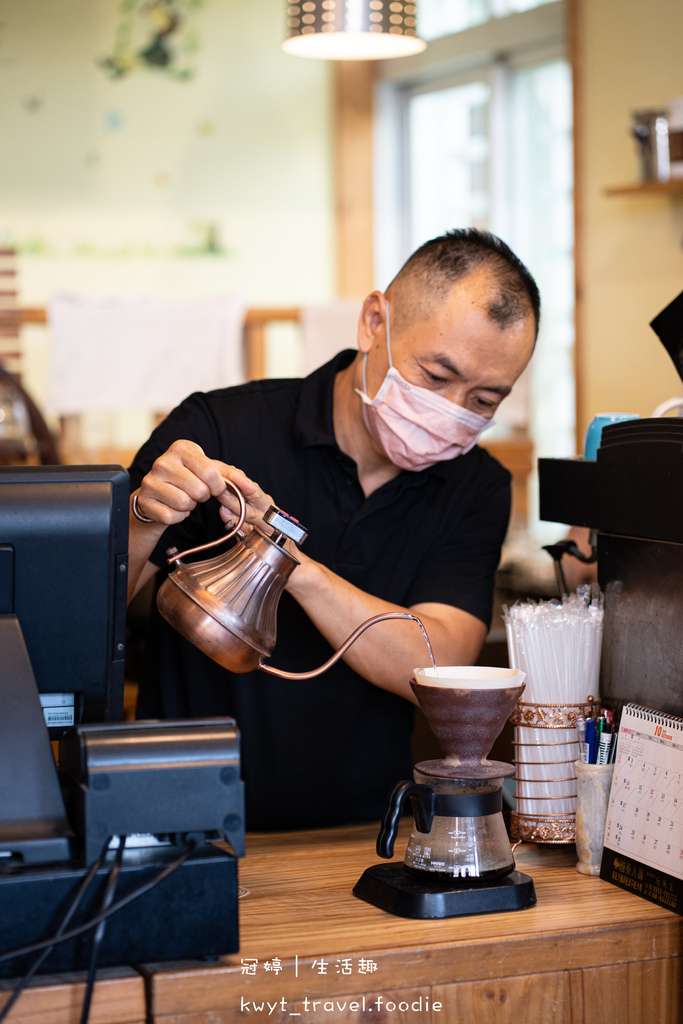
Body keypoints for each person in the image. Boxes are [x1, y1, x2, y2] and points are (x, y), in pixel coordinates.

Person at [127, 228, 539, 831]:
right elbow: (96, 612)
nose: (451, 409)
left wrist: (288, 562)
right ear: (375, 322)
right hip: (183, 819)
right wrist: (143, 514)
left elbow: (441, 662)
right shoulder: (220, 429)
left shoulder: (475, 486)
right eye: (434, 376)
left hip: (363, 835)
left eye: (482, 400)